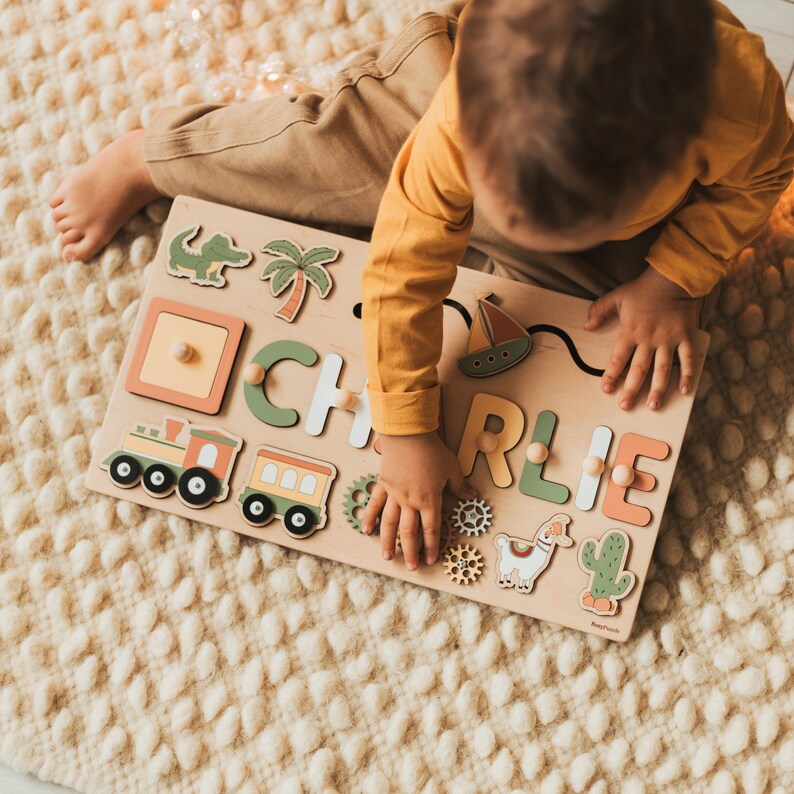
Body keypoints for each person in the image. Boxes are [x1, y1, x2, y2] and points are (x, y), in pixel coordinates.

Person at [49, 0, 794, 573]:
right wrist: (406, 432)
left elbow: (760, 177)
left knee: (595, 334)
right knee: (318, 150)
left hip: (607, 205)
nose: (488, 230)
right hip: (440, 89)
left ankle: (600, 244)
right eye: (502, 212)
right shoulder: (461, 117)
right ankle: (151, 156)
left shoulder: (739, 98)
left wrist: (671, 278)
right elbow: (405, 265)